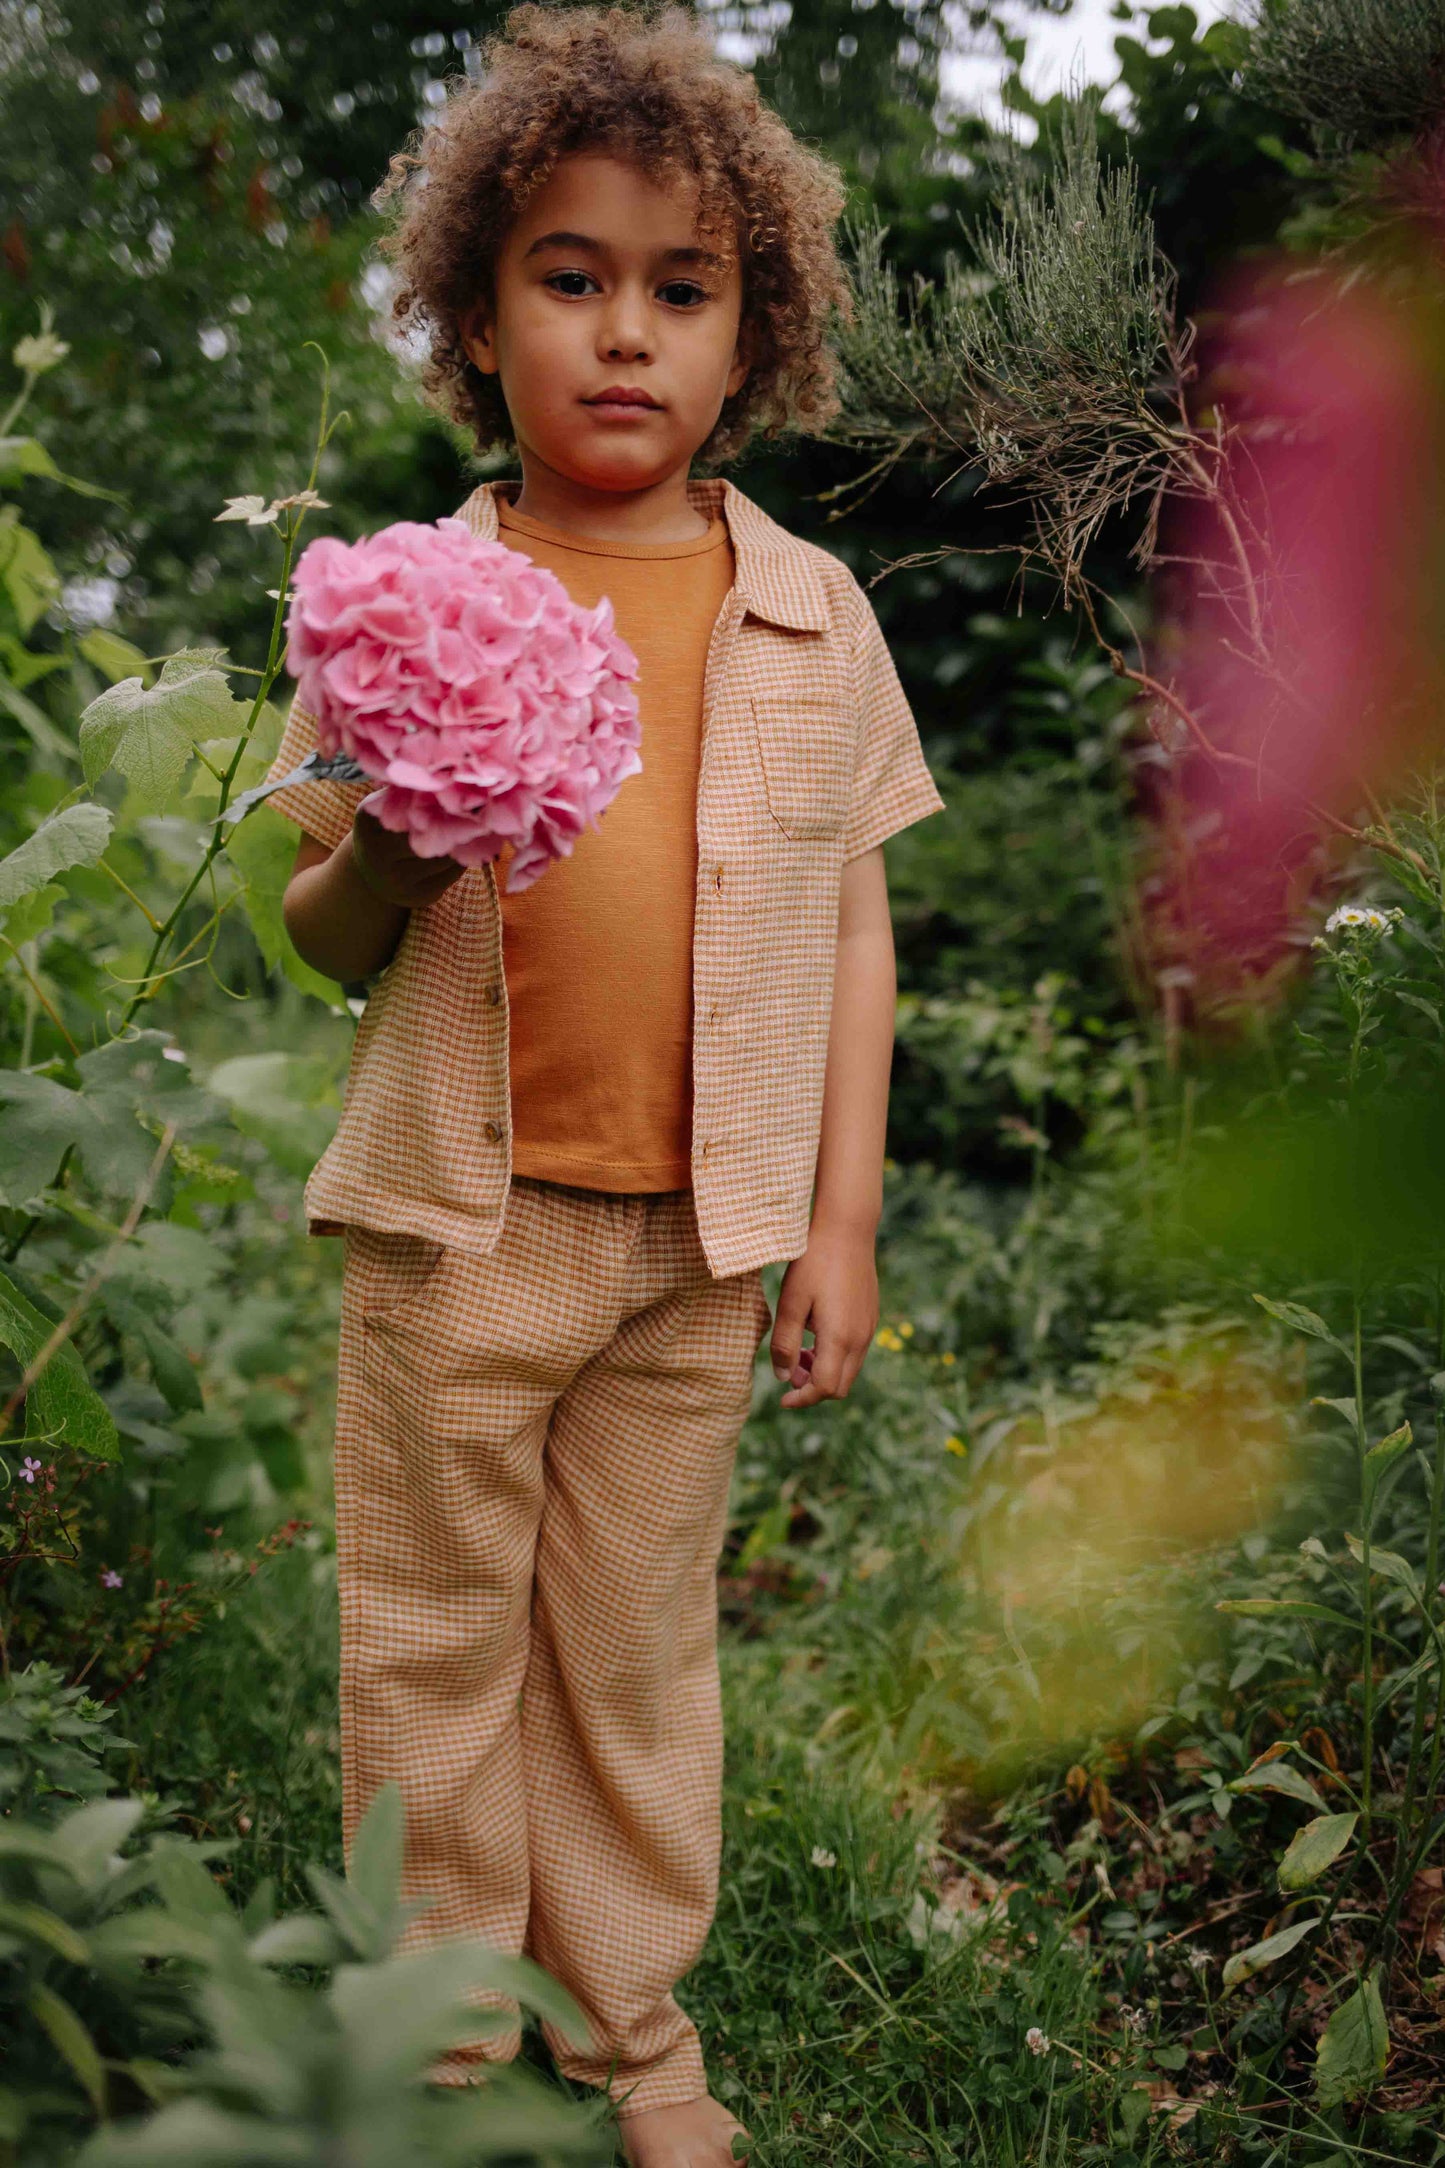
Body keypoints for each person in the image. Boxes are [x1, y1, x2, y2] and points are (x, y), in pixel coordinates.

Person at [264, 6, 943, 2162]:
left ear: (756, 336)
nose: (626, 335)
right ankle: (445, 2031)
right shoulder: (406, 603)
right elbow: (324, 938)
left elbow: (851, 925)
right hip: (463, 1224)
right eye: (572, 279)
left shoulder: (817, 616)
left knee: (634, 1660)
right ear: (480, 312)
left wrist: (841, 1216)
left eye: (683, 290)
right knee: (438, 1643)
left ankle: (635, 2033)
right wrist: (385, 837)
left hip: (694, 1238)